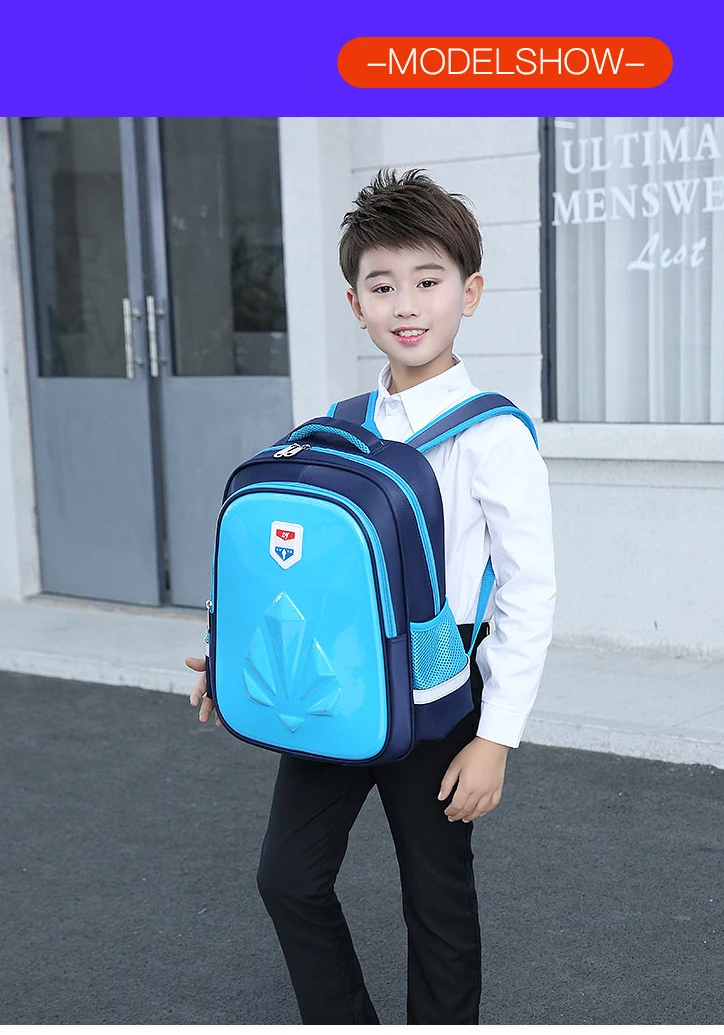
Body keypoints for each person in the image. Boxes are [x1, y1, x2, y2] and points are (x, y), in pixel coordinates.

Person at [185, 168, 556, 1025]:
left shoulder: (494, 435)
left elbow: (530, 592)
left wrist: (496, 737)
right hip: (338, 677)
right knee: (287, 875)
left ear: (469, 292)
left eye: (428, 281)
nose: (406, 305)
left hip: (437, 684)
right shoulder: (342, 424)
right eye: (382, 286)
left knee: (436, 894)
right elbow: (301, 571)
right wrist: (229, 657)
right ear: (356, 304)